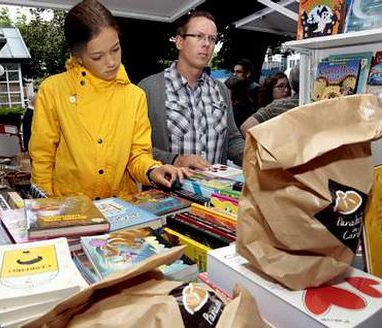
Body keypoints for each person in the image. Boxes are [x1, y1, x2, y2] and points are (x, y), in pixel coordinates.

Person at [29, 0, 188, 200]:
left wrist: (152, 170)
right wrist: (47, 209)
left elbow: (138, 155)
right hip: (71, 210)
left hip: (122, 210)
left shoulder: (134, 96)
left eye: (115, 49)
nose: (111, 62)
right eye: (97, 56)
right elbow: (42, 158)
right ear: (77, 57)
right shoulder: (53, 90)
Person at [139, 10, 244, 170]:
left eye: (212, 39)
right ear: (179, 42)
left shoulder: (220, 90)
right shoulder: (149, 89)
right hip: (167, 193)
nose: (206, 44)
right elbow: (137, 150)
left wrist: (256, 157)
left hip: (215, 193)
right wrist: (174, 160)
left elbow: (231, 139)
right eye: (199, 36)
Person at [240, 64, 300, 135]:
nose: (286, 90)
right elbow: (246, 127)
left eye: (288, 86)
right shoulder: (270, 109)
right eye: (280, 86)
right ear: (270, 89)